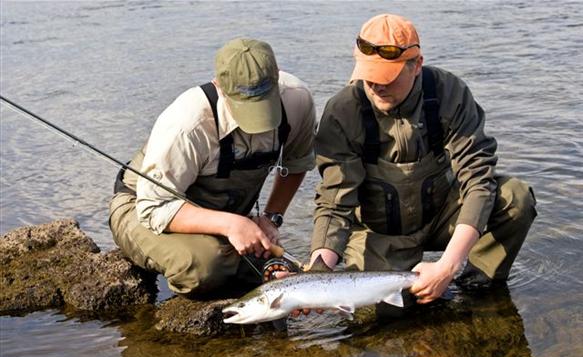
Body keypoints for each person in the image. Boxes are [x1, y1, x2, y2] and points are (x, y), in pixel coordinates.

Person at [310, 14, 537, 305]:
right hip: (381, 233)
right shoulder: (343, 111)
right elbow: (334, 202)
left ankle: (476, 289)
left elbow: (478, 182)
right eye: (368, 77)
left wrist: (448, 265)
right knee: (383, 310)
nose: (375, 87)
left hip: (443, 217)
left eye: (385, 78)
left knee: (516, 198)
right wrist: (318, 271)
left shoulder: (448, 92)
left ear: (416, 65)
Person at [109, 38, 316, 297]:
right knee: (206, 266)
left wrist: (271, 219)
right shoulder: (187, 122)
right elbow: (153, 207)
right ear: (219, 86)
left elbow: (297, 164)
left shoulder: (298, 99)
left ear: (277, 79)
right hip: (141, 207)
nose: (259, 123)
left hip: (220, 215)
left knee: (284, 271)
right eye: (247, 108)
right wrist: (231, 225)